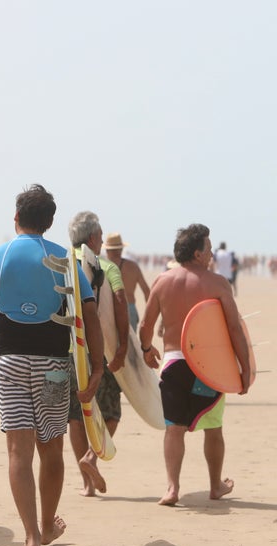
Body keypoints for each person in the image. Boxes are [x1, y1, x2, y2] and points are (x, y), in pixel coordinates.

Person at [0, 184, 105, 546]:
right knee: (51, 449)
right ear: (49, 222)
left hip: (10, 362)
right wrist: (97, 366)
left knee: (18, 452)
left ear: (16, 218)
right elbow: (89, 315)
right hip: (54, 366)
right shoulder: (66, 260)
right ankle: (47, 524)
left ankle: (30, 537)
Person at [139, 224, 250, 507]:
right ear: (198, 253)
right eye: (209, 248)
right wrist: (245, 368)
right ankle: (215, 485)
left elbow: (145, 325)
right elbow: (234, 328)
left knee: (174, 428)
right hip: (208, 368)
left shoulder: (163, 281)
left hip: (174, 363)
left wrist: (147, 348)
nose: (212, 253)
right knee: (213, 426)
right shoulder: (217, 283)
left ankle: (172, 488)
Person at [66, 211, 129, 497]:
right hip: (100, 351)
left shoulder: (64, 264)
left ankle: (87, 484)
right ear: (92, 238)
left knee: (76, 416)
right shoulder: (107, 267)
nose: (103, 240)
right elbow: (120, 303)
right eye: (101, 235)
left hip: (70, 351)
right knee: (112, 411)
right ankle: (92, 457)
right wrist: (124, 349)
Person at [104, 232, 151, 330]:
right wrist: (148, 316)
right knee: (131, 344)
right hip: (129, 308)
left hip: (108, 309)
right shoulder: (133, 266)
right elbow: (146, 291)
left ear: (108, 250)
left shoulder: (103, 266)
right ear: (121, 249)